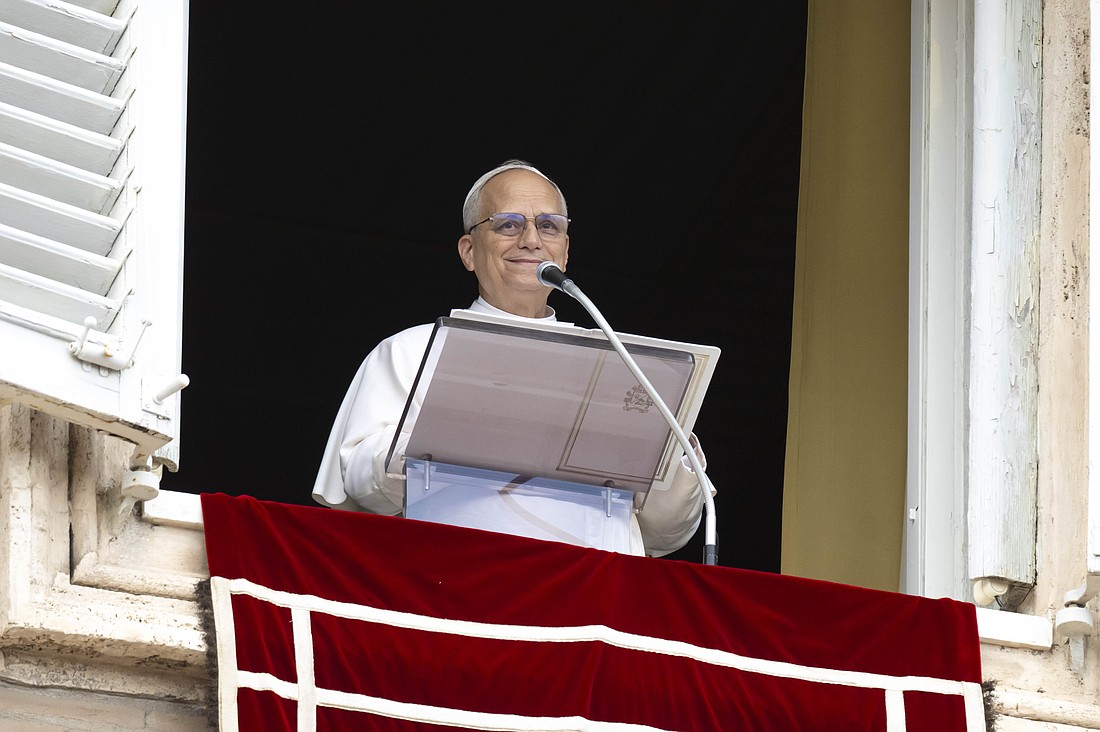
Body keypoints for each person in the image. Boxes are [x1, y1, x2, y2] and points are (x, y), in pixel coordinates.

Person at [312, 160, 711, 556]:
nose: (531, 240)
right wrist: (455, 432)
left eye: (549, 226)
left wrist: (673, 459)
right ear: (469, 251)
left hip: (597, 597)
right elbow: (361, 490)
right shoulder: (411, 351)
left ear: (565, 251)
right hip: (461, 586)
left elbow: (665, 530)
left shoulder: (624, 366)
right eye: (508, 224)